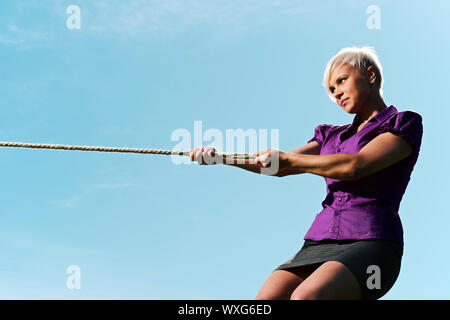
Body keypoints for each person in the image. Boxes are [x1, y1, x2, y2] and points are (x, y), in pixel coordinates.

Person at [189, 46, 423, 300]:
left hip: (373, 243)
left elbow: (355, 166)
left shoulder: (403, 123)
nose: (337, 93)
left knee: (306, 297)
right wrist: (222, 158)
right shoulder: (331, 135)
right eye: (332, 90)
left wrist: (289, 157)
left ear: (370, 75)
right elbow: (278, 166)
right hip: (318, 242)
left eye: (341, 81)